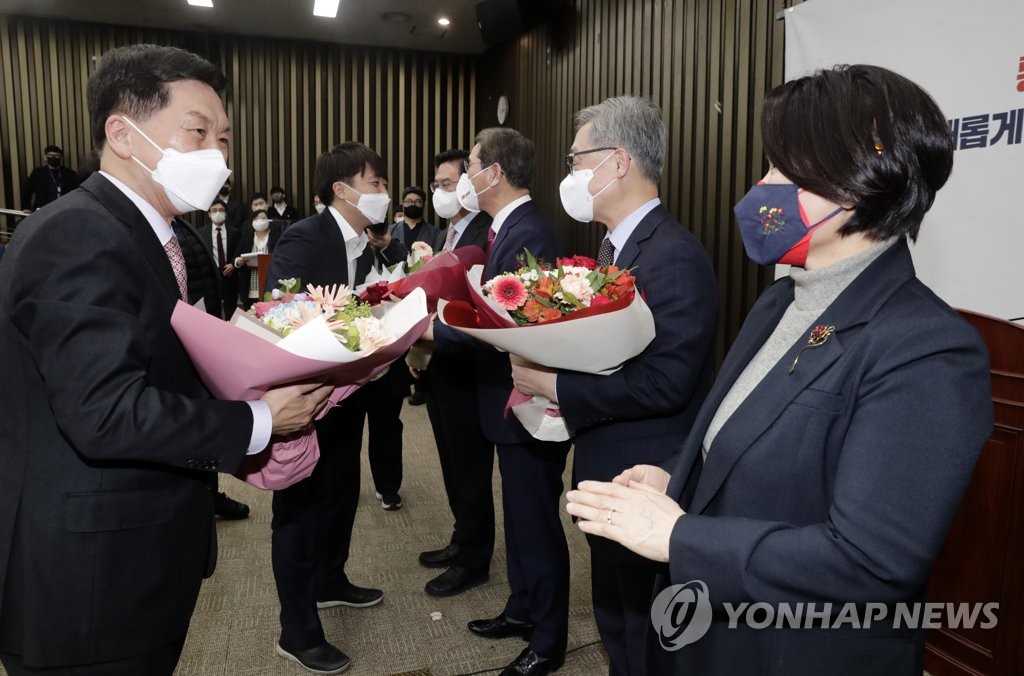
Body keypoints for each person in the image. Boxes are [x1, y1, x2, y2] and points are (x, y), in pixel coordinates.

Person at [565, 65, 993, 675]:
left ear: (857, 184)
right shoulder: (782, 299)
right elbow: (745, 443)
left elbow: (869, 564)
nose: (761, 188)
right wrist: (675, 481)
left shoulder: (928, 350)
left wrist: (680, 537)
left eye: (782, 171)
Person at [0, 43, 332, 675]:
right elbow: (104, 412)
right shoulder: (76, 233)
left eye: (225, 138)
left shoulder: (161, 236)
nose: (218, 154)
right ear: (122, 134)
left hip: (140, 553)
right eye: (198, 131)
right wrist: (261, 421)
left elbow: (163, 366)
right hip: (88, 583)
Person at [511, 96, 718, 674]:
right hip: (608, 465)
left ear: (619, 162)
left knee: (646, 633)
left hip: (645, 474)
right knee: (617, 620)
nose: (571, 175)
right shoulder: (610, 254)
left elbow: (667, 384)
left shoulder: (673, 255)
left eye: (578, 160)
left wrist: (556, 386)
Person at [426, 128, 571, 676]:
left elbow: (513, 325)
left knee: (535, 520)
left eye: (470, 166)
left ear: (496, 173)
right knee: (519, 515)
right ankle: (523, 608)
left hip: (526, 399)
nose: (464, 178)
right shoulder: (505, 229)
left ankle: (549, 640)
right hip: (505, 396)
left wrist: (431, 330)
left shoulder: (529, 232)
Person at [266, 141, 394, 674]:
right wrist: (361, 335)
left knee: (342, 489)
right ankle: (296, 630)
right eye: (375, 184)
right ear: (341, 190)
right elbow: (283, 312)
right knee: (299, 510)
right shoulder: (303, 238)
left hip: (352, 396)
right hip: (308, 400)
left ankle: (330, 579)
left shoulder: (369, 245)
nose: (383, 194)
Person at [416, 148, 496, 597]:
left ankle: (474, 558)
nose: (440, 193)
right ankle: (461, 535)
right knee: (449, 460)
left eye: (448, 184)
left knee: (469, 466)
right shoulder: (448, 233)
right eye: (437, 185)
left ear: (468, 185)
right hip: (438, 362)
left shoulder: (484, 234)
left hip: (468, 365)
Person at [172, 215, 252, 520]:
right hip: (175, 340)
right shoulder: (135, 227)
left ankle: (211, 494)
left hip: (203, 331)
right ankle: (196, 499)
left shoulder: (182, 225)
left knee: (203, 416)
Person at [198, 198, 241, 318]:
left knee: (231, 311)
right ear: (209, 214)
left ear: (226, 213)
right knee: (213, 311)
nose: (218, 213)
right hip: (211, 276)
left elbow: (239, 251)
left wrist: (233, 264)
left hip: (230, 275)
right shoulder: (201, 233)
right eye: (214, 210)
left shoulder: (235, 232)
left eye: (221, 210)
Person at [232, 208, 282, 310]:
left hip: (270, 283)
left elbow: (281, 257)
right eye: (256, 218)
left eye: (263, 218)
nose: (259, 221)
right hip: (250, 284)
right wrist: (238, 261)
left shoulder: (276, 237)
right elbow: (235, 258)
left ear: (269, 220)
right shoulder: (247, 237)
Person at [21, 144, 79, 212]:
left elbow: (76, 193)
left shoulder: (70, 174)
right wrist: (26, 207)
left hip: (64, 209)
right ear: (45, 157)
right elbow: (26, 190)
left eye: (57, 156)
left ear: (61, 158)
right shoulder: (38, 173)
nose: (54, 158)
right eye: (50, 155)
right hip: (42, 210)